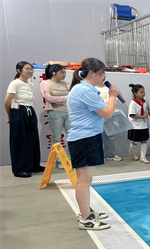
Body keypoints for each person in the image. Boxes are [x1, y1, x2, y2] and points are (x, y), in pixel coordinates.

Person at [67, 57, 119, 230]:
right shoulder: (84, 90)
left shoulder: (85, 89)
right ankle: (86, 218)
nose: (104, 76)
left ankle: (85, 211)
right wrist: (112, 96)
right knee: (84, 180)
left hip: (88, 137)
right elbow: (107, 113)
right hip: (84, 139)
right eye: (102, 72)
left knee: (86, 179)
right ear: (91, 73)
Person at [4, 61, 45, 178]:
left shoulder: (30, 84)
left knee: (33, 139)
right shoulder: (15, 83)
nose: (30, 71)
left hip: (30, 111)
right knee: (20, 141)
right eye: (27, 69)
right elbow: (7, 102)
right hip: (18, 112)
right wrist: (9, 116)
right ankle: (20, 169)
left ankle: (33, 165)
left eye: (31, 69)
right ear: (19, 71)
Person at [40, 64, 71, 169]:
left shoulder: (66, 84)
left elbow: (72, 97)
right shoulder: (46, 83)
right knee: (56, 137)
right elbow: (49, 98)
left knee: (72, 136)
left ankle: (70, 160)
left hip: (69, 112)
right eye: (61, 72)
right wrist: (65, 99)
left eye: (65, 72)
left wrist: (59, 98)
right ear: (54, 73)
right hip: (55, 112)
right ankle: (59, 161)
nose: (64, 75)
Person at [95, 83, 123, 162]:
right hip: (98, 115)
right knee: (98, 136)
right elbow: (97, 101)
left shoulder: (109, 87)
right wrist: (109, 99)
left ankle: (111, 154)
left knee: (111, 136)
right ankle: (98, 155)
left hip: (110, 114)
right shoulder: (93, 87)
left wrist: (106, 100)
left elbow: (115, 100)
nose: (103, 77)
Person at [127, 84, 150, 164]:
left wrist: (149, 114)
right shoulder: (133, 103)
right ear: (135, 93)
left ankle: (143, 157)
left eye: (144, 92)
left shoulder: (145, 101)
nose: (143, 94)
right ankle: (132, 152)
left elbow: (147, 109)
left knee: (144, 141)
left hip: (144, 125)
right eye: (141, 92)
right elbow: (132, 115)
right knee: (135, 142)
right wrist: (143, 116)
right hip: (135, 126)